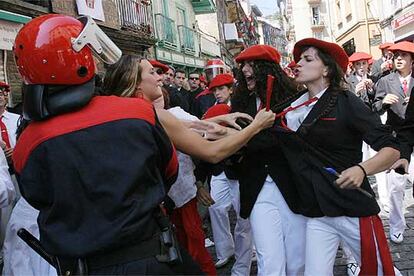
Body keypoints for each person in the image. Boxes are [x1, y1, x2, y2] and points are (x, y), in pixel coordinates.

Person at [12, 14, 275, 275]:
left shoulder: (27, 142)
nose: (159, 77)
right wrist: (254, 127)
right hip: (149, 256)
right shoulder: (139, 114)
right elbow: (168, 170)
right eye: (152, 72)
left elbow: (38, 197)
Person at [277, 37, 400, 275]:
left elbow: (391, 149)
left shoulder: (346, 102)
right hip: (316, 212)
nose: (297, 64)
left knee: (382, 271)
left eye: (307, 59)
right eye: (298, 59)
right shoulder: (292, 106)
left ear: (326, 68)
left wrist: (362, 169)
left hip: (351, 208)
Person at [231, 44, 307, 276]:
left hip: (291, 186)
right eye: (242, 65)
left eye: (250, 64)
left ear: (266, 68)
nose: (244, 70)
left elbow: (293, 142)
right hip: (257, 188)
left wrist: (248, 138)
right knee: (270, 263)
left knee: (297, 260)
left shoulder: (294, 97)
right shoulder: (240, 101)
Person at [202, 74, 254, 275]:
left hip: (238, 170)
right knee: (215, 208)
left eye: (221, 89)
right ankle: (225, 250)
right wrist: (200, 181)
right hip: (217, 168)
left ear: (230, 89)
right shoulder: (209, 109)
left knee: (244, 215)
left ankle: (248, 254)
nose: (217, 93)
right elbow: (204, 144)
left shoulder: (241, 106)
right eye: (214, 90)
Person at [373, 40, 414, 244]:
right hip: (397, 138)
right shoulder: (385, 81)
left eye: (403, 55)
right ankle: (397, 226)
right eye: (396, 55)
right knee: (396, 186)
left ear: (411, 60)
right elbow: (375, 108)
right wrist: (383, 102)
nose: (398, 58)